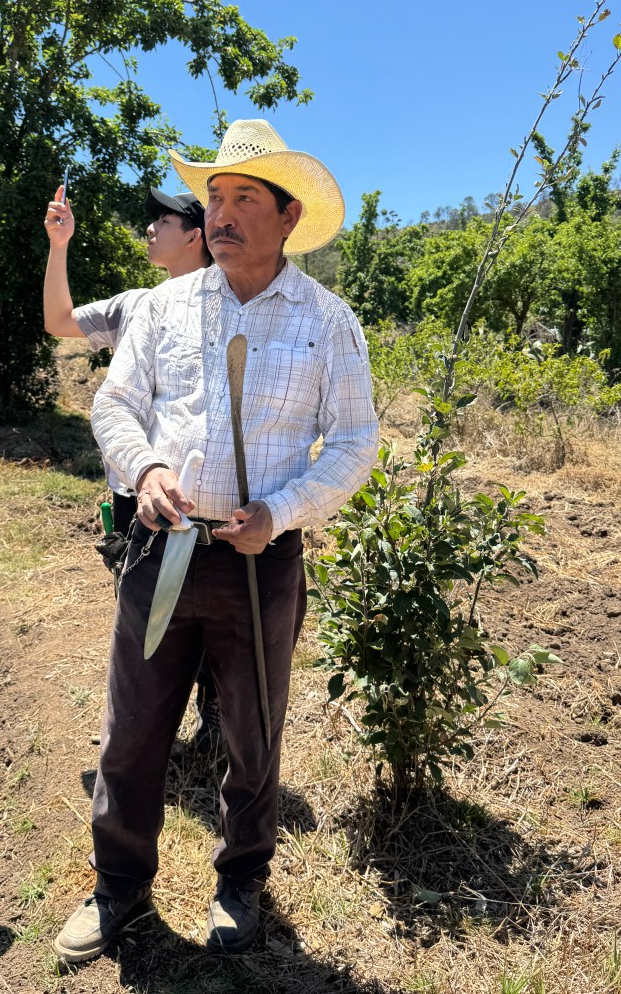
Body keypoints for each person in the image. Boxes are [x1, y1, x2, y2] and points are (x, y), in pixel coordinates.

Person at [53, 119, 379, 963]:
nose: (221, 214)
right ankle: (118, 886)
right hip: (160, 549)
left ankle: (241, 881)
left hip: (258, 563)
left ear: (288, 215)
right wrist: (146, 468)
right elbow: (115, 406)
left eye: (244, 199)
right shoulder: (165, 306)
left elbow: (354, 443)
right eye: (215, 198)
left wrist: (282, 511)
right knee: (132, 729)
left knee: (252, 734)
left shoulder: (328, 321)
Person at [43, 185, 221, 751]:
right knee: (144, 610)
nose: (150, 228)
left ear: (195, 235)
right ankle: (146, 734)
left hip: (203, 497)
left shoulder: (228, 302)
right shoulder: (135, 304)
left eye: (163, 220)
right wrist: (59, 244)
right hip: (133, 492)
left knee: (210, 610)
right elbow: (59, 320)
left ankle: (215, 719)